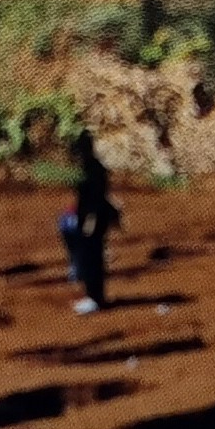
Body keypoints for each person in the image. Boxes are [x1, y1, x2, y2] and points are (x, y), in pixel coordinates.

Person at [62, 130, 121, 314]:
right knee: (91, 258)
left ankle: (94, 298)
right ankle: (95, 296)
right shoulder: (91, 167)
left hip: (93, 219)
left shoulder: (93, 170)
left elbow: (95, 199)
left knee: (92, 259)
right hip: (91, 218)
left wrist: (89, 222)